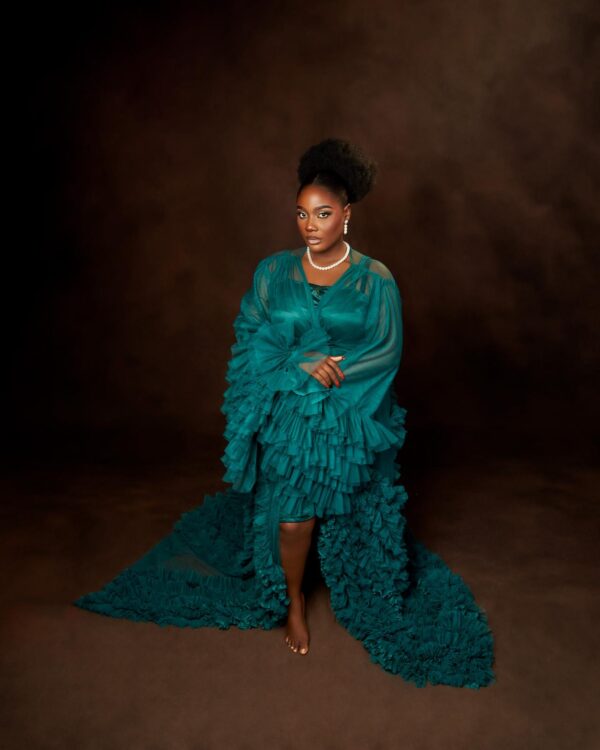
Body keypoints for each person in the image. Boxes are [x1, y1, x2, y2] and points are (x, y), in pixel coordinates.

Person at [74, 138, 496, 689]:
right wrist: (301, 366)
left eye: (323, 214)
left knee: (342, 501)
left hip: (349, 413)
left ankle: (343, 575)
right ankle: (292, 599)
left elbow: (385, 352)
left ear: (347, 213)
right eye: (301, 214)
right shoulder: (273, 273)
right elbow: (255, 337)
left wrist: (333, 395)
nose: (310, 226)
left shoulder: (375, 278)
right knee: (293, 518)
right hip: (288, 411)